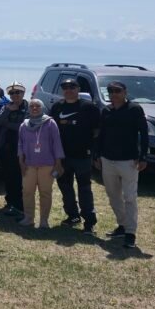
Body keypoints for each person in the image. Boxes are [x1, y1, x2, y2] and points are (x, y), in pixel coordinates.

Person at [98, 80, 148, 249]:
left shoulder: (134, 109)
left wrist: (143, 156)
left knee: (130, 197)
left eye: (117, 91)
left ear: (125, 92)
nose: (114, 94)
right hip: (107, 160)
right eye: (111, 91)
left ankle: (130, 233)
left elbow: (144, 133)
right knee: (113, 196)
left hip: (129, 161)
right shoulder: (106, 110)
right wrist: (97, 155)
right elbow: (101, 134)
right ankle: (122, 225)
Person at [50, 78, 102, 231]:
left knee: (84, 188)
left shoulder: (88, 107)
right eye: (65, 87)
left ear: (78, 89)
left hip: (82, 156)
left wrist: (94, 151)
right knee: (65, 187)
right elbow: (51, 131)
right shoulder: (57, 107)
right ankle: (72, 215)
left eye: (72, 87)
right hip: (62, 156)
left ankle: (89, 221)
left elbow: (97, 131)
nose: (68, 90)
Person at [17, 99, 64, 228]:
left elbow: (57, 143)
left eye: (37, 106)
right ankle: (28, 218)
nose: (34, 108)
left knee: (45, 192)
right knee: (27, 192)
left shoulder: (50, 123)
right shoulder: (24, 125)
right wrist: (21, 161)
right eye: (31, 106)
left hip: (47, 164)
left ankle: (44, 220)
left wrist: (58, 163)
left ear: (42, 107)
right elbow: (20, 144)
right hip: (29, 164)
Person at [0, 83, 29, 218]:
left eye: (18, 92)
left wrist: (7, 123)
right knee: (9, 177)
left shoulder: (28, 107)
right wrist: (8, 111)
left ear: (23, 93)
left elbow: (25, 126)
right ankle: (10, 203)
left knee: (20, 179)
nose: (15, 95)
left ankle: (20, 206)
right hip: (6, 147)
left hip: (22, 149)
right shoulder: (6, 106)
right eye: (12, 93)